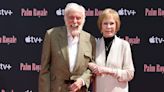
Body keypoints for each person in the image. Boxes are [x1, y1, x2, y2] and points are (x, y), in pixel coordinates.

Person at [39, 2, 96, 92]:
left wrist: (82, 81)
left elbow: (92, 68)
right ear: (65, 19)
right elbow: (45, 70)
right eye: (71, 17)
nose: (74, 21)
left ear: (83, 20)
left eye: (78, 18)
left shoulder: (90, 39)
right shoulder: (52, 35)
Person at [88, 8, 135, 92]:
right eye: (105, 23)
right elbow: (86, 65)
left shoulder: (124, 45)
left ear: (116, 25)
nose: (108, 27)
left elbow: (129, 74)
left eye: (112, 23)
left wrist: (108, 71)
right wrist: (90, 65)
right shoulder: (95, 44)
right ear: (101, 26)